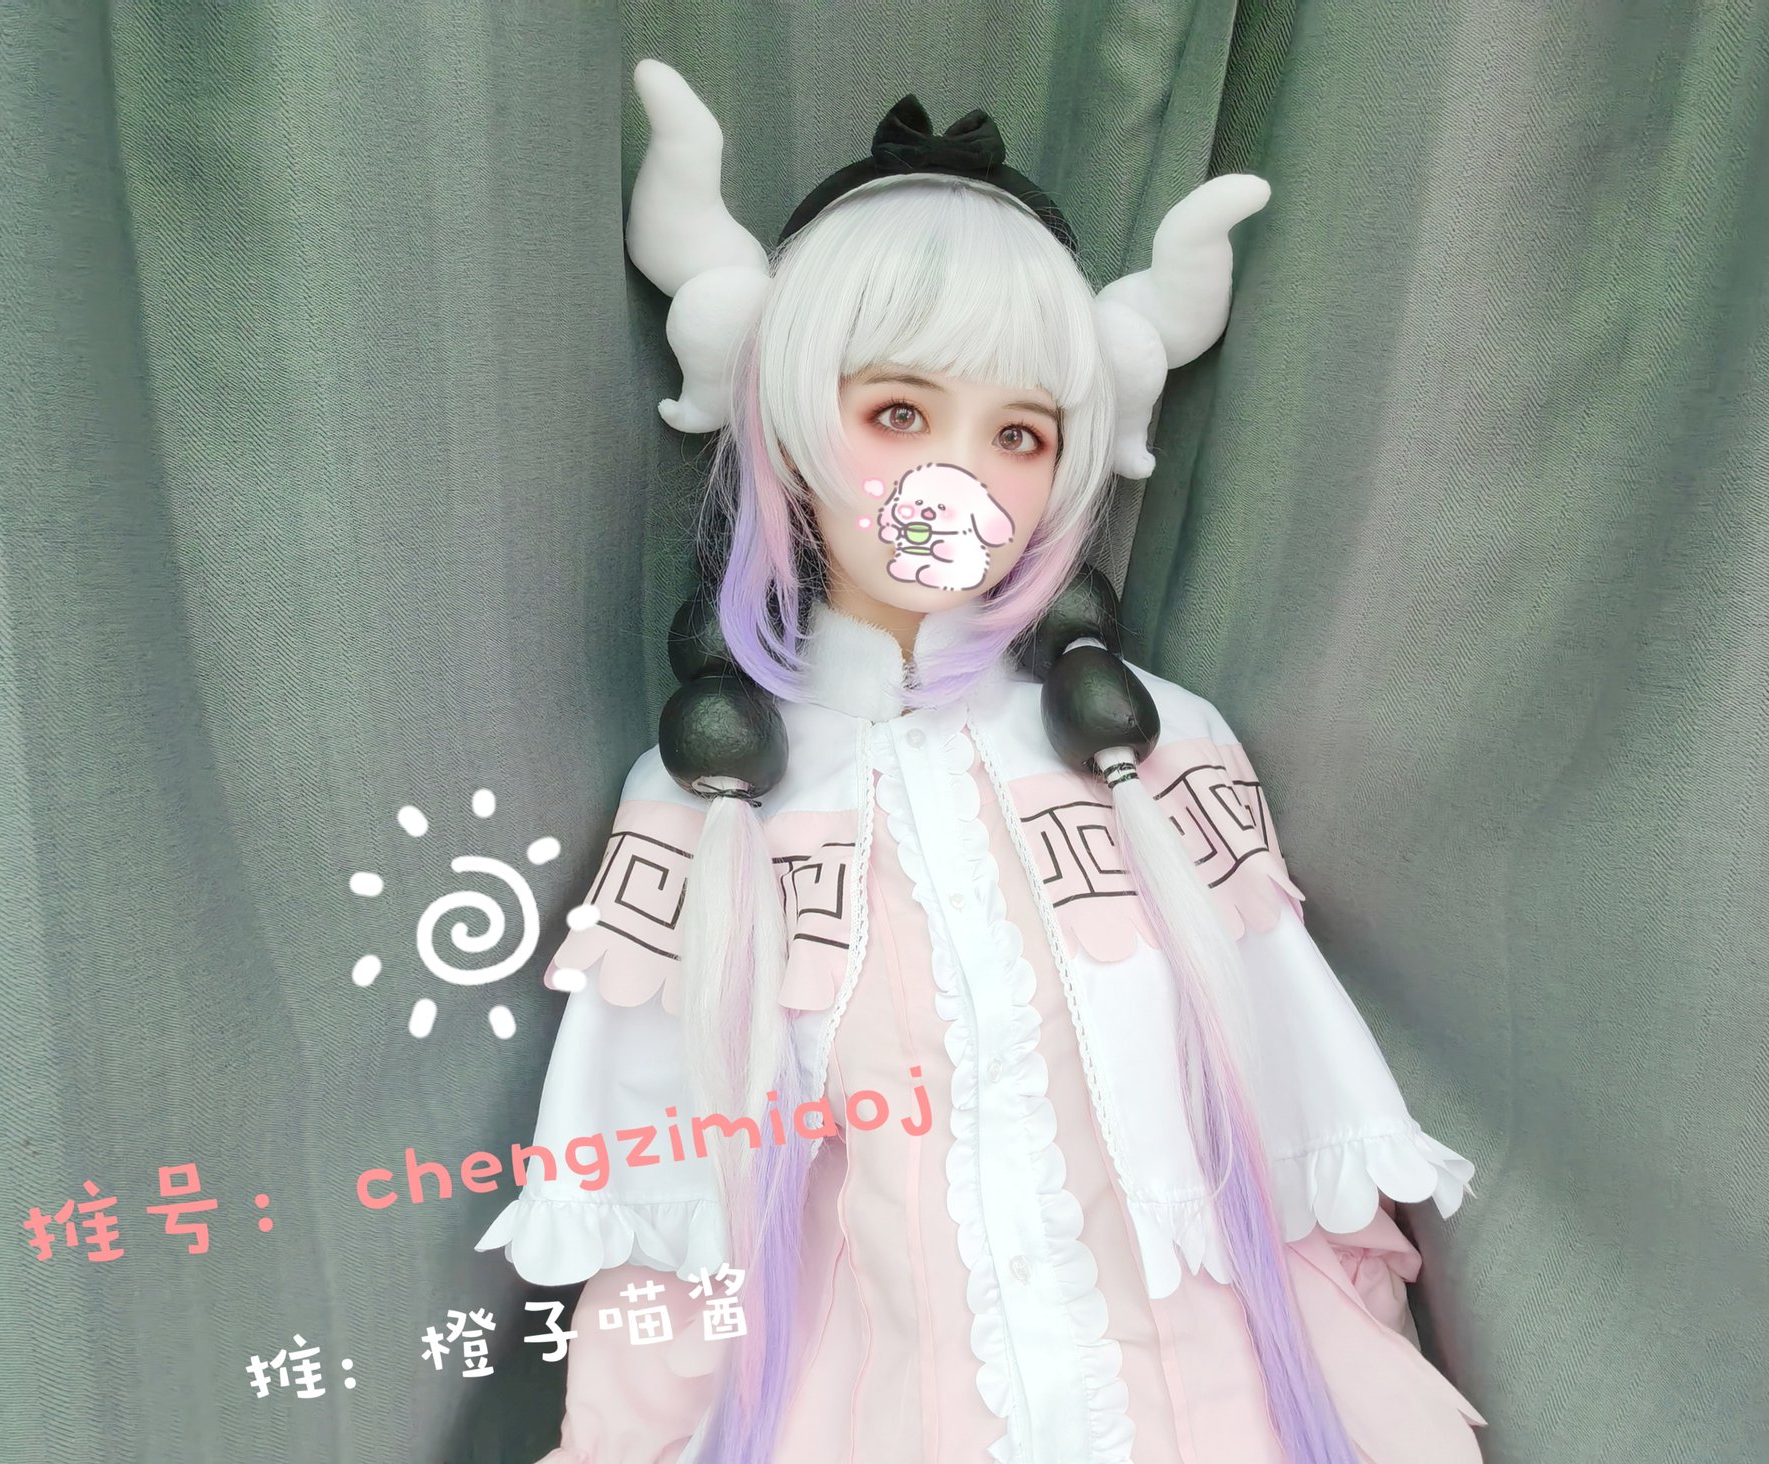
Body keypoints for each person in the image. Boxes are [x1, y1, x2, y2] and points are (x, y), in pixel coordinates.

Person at [477, 58, 1488, 1464]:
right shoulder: (706, 802)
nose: (957, 480)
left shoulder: (1160, 746)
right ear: (788, 424)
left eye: (1018, 434)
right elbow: (663, 1212)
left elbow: (1296, 1125)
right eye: (898, 413)